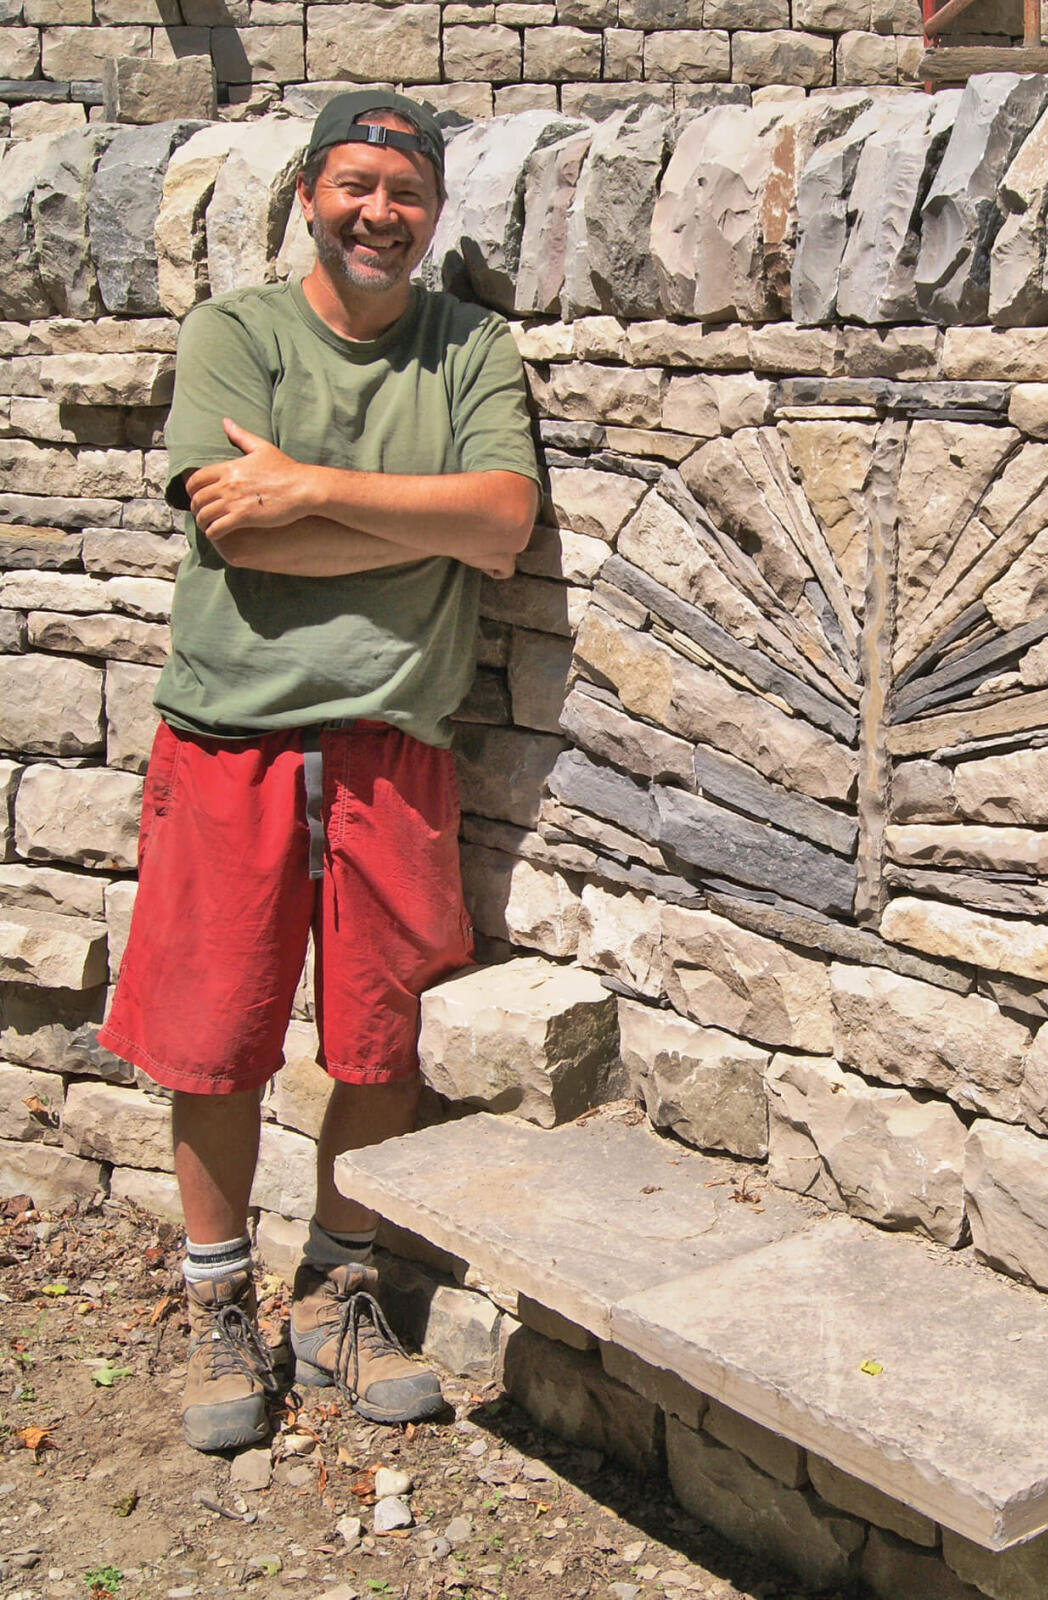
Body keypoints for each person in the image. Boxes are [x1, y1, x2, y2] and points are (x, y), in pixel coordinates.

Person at [97, 90, 541, 1452]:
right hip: (230, 732)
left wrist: (313, 492)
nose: (377, 214)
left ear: (433, 214)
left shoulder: (471, 346)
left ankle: (345, 1288)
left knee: (379, 1033)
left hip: (392, 741)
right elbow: (239, 537)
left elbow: (504, 520)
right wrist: (408, 527)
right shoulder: (237, 334)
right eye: (353, 185)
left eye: (403, 194)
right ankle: (221, 1302)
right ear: (307, 195)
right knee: (215, 1036)